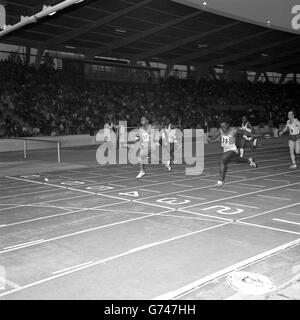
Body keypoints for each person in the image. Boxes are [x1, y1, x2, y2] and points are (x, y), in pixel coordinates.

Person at [207, 119, 257, 186]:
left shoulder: (234, 130)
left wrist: (253, 135)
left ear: (228, 125)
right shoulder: (220, 130)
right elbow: (213, 138)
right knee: (237, 160)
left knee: (221, 160)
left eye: (224, 126)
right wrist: (209, 139)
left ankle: (221, 181)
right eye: (222, 126)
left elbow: (244, 132)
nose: (223, 128)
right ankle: (248, 160)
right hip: (226, 150)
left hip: (233, 150)